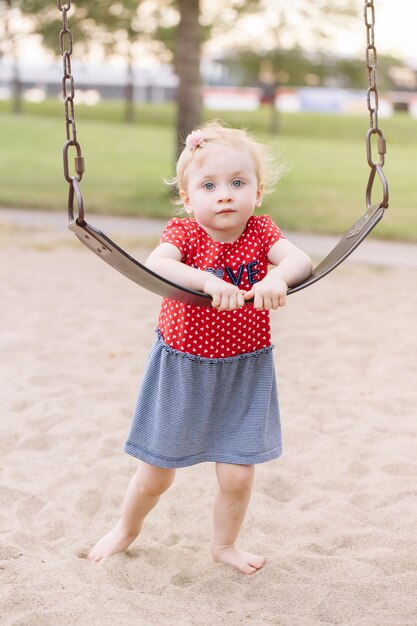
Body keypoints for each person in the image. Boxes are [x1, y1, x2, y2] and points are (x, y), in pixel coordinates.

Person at [88, 122, 312, 574]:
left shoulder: (261, 232)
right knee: (155, 474)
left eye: (237, 183)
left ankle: (224, 545)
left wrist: (274, 278)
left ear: (258, 192)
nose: (224, 194)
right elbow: (158, 264)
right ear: (189, 199)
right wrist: (209, 281)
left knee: (238, 474)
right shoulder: (185, 235)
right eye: (209, 186)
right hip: (183, 369)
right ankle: (127, 529)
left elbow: (300, 260)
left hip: (244, 370)